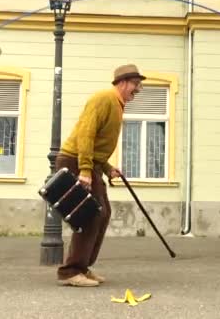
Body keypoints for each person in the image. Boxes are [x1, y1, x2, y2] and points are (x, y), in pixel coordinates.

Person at [56, 64, 145, 287]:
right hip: (75, 161)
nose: (138, 89)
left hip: (89, 163)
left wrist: (106, 168)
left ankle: (82, 267)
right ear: (122, 82)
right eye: (135, 84)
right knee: (91, 214)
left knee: (103, 214)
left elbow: (96, 144)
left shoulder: (117, 104)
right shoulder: (104, 98)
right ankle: (70, 272)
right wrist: (85, 169)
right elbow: (86, 134)